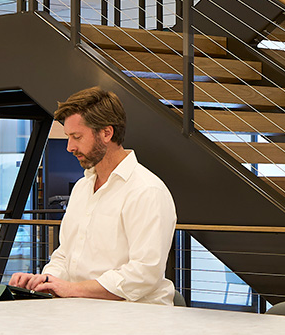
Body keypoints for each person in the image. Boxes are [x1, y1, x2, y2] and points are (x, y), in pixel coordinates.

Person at [10, 87, 177, 304]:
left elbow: (144, 274)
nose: (69, 147)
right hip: (82, 312)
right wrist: (46, 281)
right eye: (68, 137)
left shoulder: (147, 191)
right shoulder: (82, 187)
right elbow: (65, 255)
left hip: (135, 322)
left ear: (106, 133)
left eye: (77, 137)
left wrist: (72, 289)